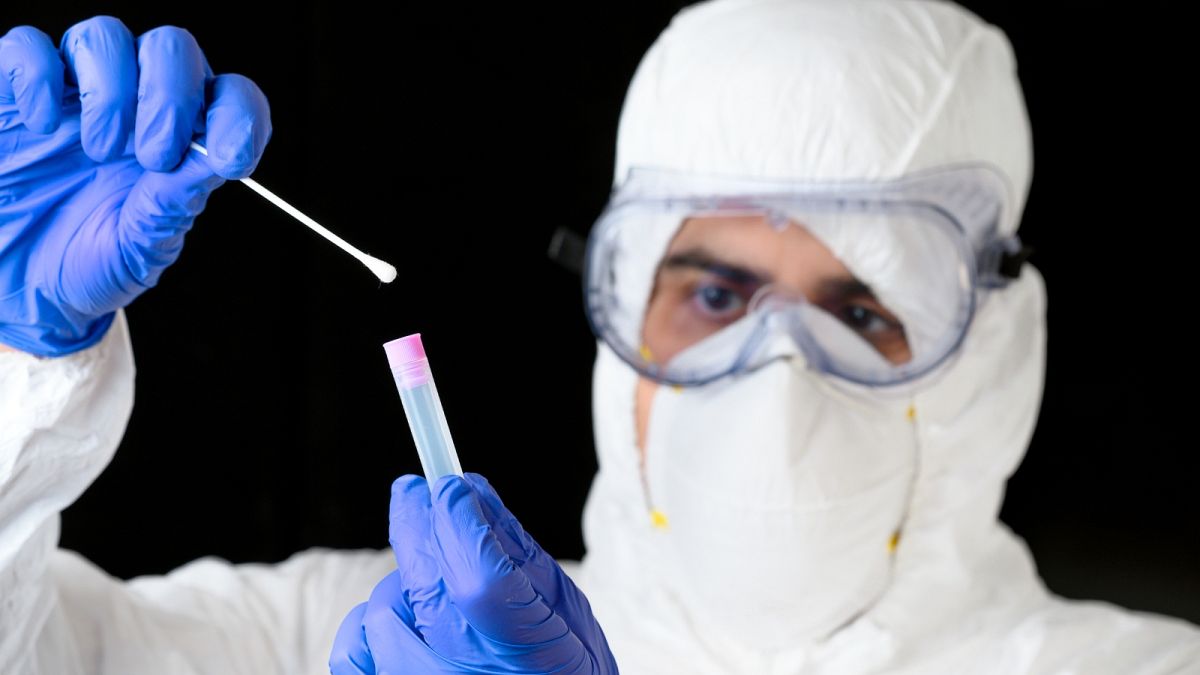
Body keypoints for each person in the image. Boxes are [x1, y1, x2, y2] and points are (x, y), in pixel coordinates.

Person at [1, 3, 1196, 675]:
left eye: (861, 308)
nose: (778, 381)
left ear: (991, 351)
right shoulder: (357, 639)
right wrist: (10, 375)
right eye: (717, 296)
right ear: (618, 332)